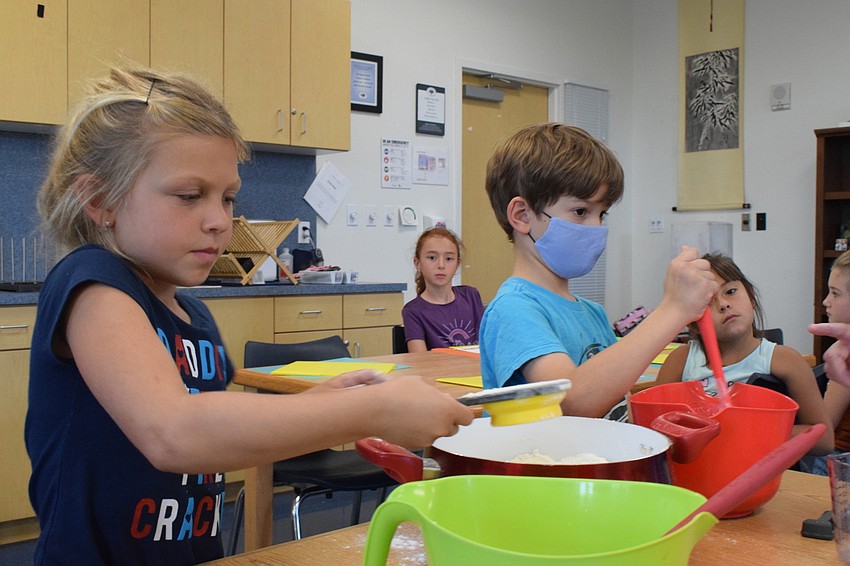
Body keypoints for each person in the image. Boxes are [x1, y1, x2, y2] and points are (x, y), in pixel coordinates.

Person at [24, 65, 473, 565]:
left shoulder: (191, 313)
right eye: (190, 196)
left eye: (228, 197)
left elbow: (221, 431)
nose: (220, 220)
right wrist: (371, 411)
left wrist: (319, 401)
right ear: (98, 199)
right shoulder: (92, 283)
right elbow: (174, 432)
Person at [479, 122, 718, 421]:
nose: (597, 227)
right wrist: (672, 310)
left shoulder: (591, 312)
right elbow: (572, 401)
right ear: (522, 215)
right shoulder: (513, 310)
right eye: (581, 211)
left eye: (601, 213)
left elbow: (613, 406)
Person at [656, 253, 833, 456]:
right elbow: (654, 428)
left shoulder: (785, 361)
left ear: (752, 296)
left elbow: (824, 439)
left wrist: (746, 430)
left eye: (731, 291)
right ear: (692, 320)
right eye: (707, 303)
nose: (723, 304)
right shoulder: (680, 362)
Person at [800, 251, 850, 472]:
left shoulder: (844, 354)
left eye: (835, 293)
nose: (825, 301)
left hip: (839, 460)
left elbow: (825, 427)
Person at [401, 227, 484, 352]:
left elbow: (489, 343)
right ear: (417, 263)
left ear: (457, 264)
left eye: (449, 259)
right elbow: (419, 361)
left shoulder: (471, 296)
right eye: (432, 258)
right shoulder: (413, 311)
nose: (441, 265)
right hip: (439, 371)